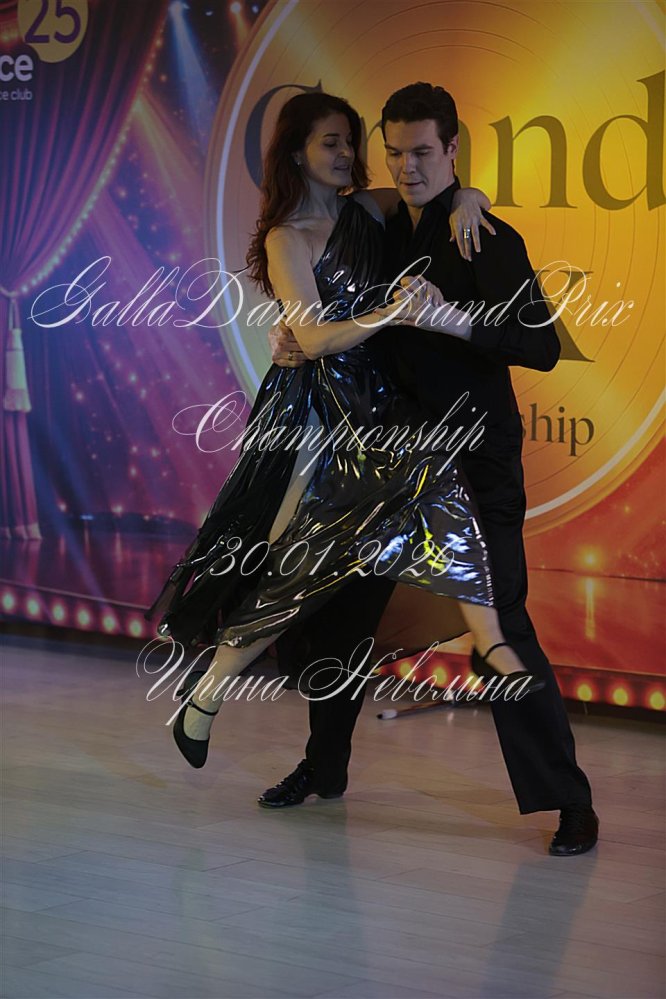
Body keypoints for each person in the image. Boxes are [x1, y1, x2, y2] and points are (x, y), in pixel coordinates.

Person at [146, 91, 545, 780]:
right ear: (297, 151)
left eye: (350, 142)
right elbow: (312, 337)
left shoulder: (370, 210)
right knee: (301, 563)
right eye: (331, 142)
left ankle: (215, 699)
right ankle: (214, 697)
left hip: (382, 414)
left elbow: (438, 189)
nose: (347, 155)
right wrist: (391, 314)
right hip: (318, 416)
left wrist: (470, 196)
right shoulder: (286, 237)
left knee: (357, 549)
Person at [264, 83, 598, 858]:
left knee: (501, 627)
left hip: (475, 460)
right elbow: (332, 310)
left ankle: (570, 801)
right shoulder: (375, 227)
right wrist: (292, 335)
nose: (406, 166)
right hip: (389, 457)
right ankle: (325, 766)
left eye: (422, 152)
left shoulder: (484, 234)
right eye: (394, 151)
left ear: (452, 148)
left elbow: (541, 345)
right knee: (341, 614)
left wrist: (455, 318)